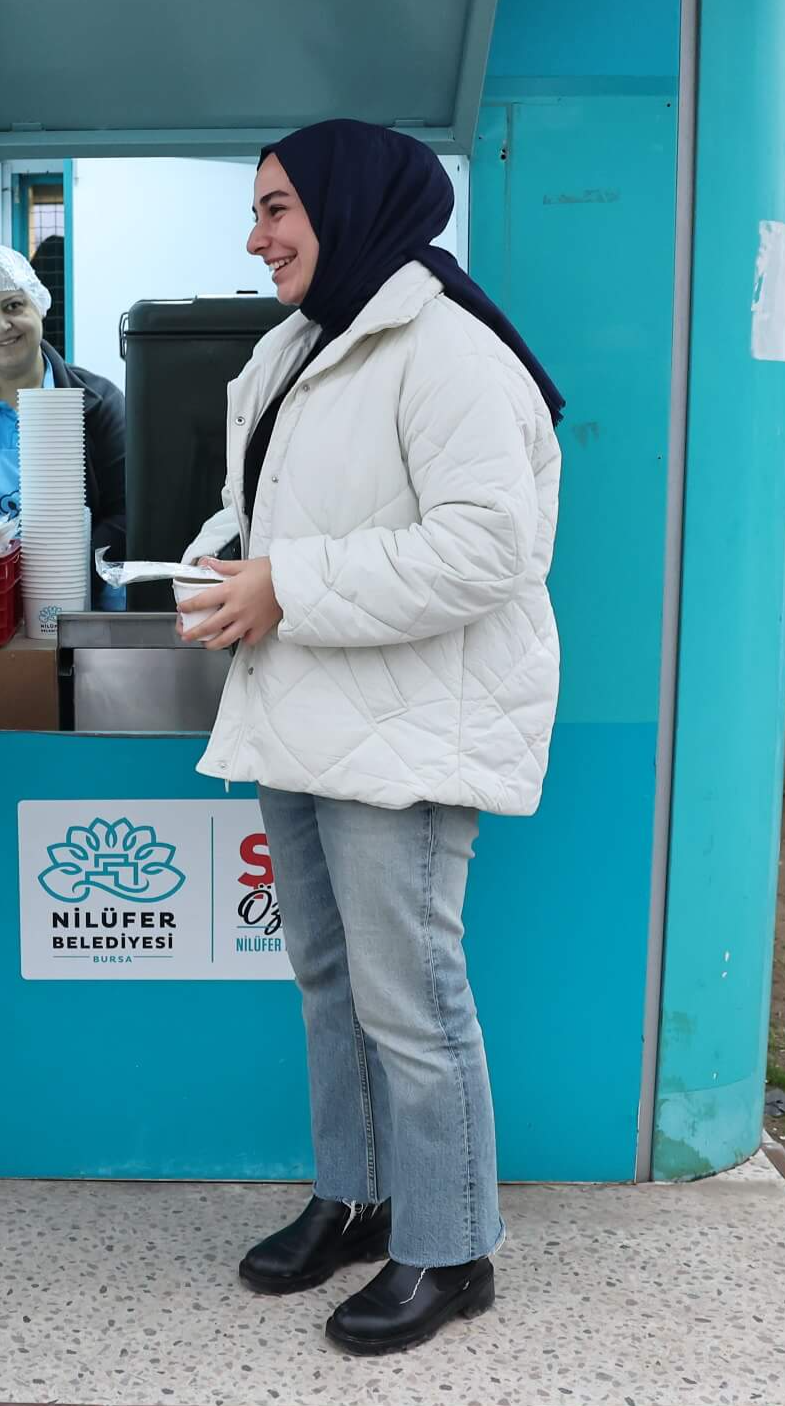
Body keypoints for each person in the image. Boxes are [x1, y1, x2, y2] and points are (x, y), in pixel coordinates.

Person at [176, 119, 568, 1356]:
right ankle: (355, 1194)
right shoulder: (301, 345)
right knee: (329, 984)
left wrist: (284, 584)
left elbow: (490, 549)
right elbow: (270, 511)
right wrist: (216, 561)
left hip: (401, 733)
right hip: (301, 715)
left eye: (279, 207)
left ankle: (450, 1250)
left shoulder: (443, 350)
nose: (257, 237)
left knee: (412, 999)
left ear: (350, 206)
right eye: (257, 210)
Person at [0, 244, 126, 605]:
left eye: (13, 306)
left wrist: (55, 570)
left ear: (38, 305)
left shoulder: (99, 404)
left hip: (78, 600)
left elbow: (125, 514)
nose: (1, 326)